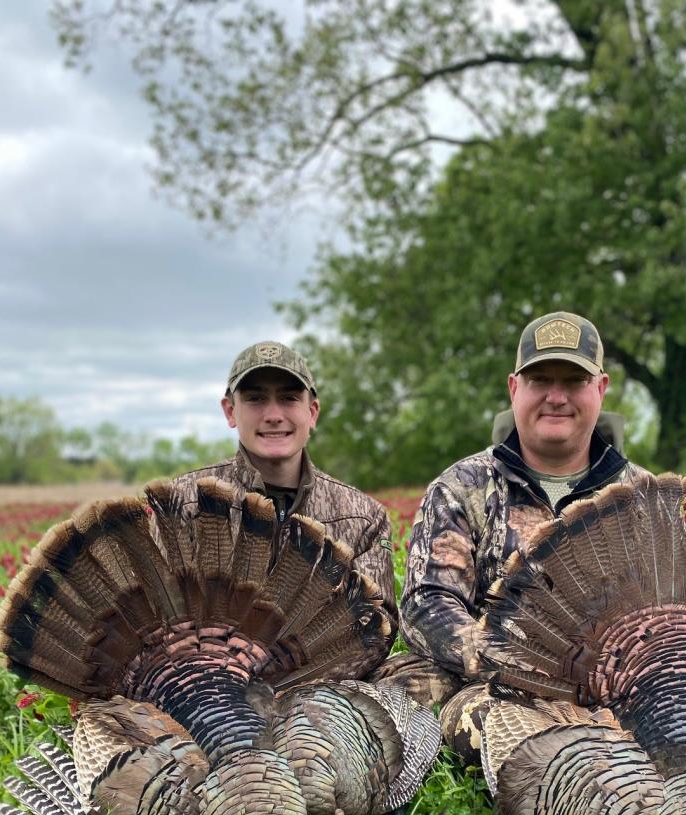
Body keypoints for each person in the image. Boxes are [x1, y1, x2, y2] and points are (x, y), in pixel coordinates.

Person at [378, 310, 646, 752]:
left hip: (610, 686)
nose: (556, 397)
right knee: (406, 698)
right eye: (540, 380)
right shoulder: (462, 487)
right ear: (514, 388)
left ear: (600, 389)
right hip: (493, 684)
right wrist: (507, 660)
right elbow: (428, 602)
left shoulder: (642, 497)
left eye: (574, 381)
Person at [171, 340, 397, 630]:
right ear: (230, 411)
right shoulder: (184, 502)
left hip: (323, 674)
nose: (274, 415)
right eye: (255, 399)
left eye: (289, 398)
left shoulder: (364, 517)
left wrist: (284, 666)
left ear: (312, 412)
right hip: (203, 673)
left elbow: (377, 626)